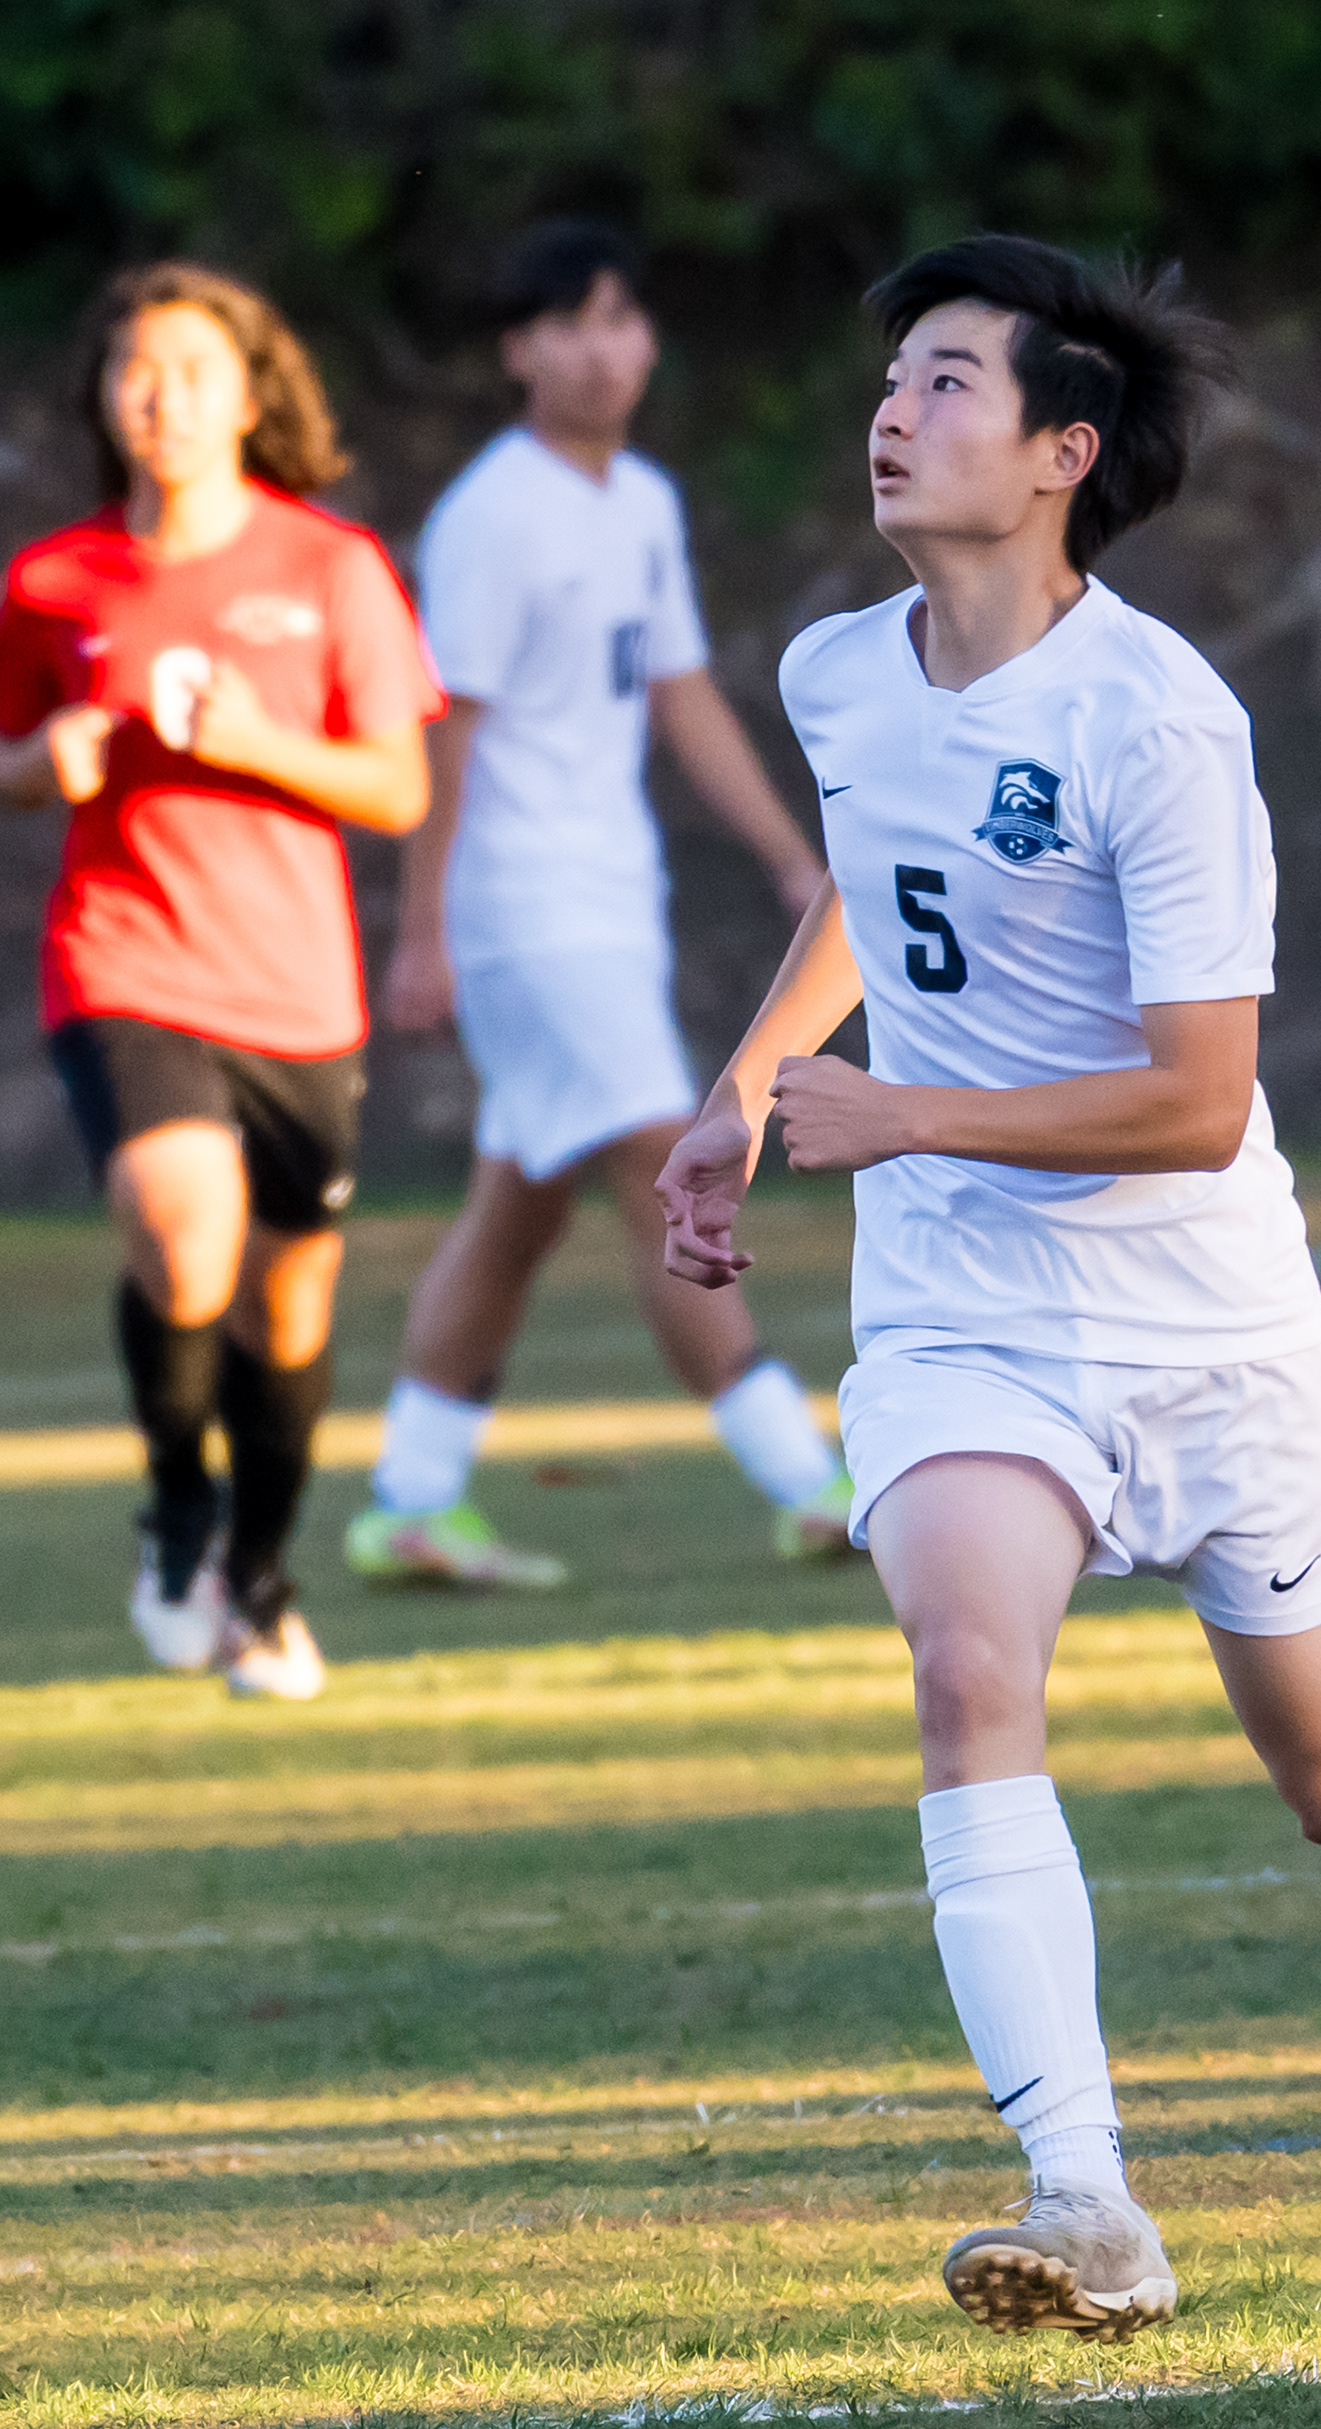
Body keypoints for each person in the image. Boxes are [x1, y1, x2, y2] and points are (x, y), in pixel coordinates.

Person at [655, 234, 1321, 2343]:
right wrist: (741, 1092)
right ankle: (1085, 2198)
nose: (893, 411)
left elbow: (1197, 1101)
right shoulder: (839, 673)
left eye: (947, 381)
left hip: (1212, 1332)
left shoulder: (1162, 724)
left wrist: (903, 1112)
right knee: (964, 1671)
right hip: (964, 1319)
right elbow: (877, 883)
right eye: (892, 377)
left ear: (1061, 454)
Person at [350, 220, 851, 1591]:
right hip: (524, 908)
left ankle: (410, 1499)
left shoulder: (640, 503)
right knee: (658, 1158)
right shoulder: (492, 514)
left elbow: (680, 694)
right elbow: (448, 728)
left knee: (517, 1208)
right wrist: (423, 931)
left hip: (613, 901)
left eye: (621, 318)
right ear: (518, 351)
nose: (600, 348)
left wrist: (789, 854)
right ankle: (810, 1482)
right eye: (567, 322)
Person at [0, 262, 442, 1702]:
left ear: (248, 396)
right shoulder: (55, 579)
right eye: (135, 371)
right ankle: (178, 1510)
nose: (160, 398)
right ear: (104, 398)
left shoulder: (333, 567)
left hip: (297, 991)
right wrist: (41, 760)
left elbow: (399, 787)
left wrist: (254, 743)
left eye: (190, 372)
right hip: (122, 957)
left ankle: (261, 1578)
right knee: (185, 1238)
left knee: (287, 1312)